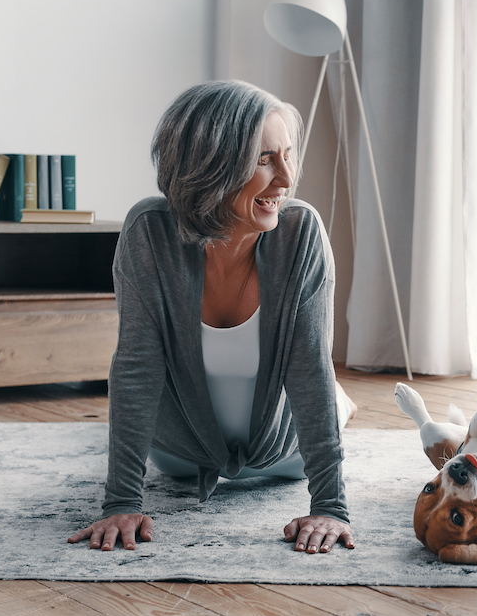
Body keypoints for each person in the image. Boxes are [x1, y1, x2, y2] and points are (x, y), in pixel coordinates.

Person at [69, 80, 356, 555]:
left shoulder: (300, 231)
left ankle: (343, 408)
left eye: (287, 155)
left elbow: (309, 370)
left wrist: (331, 506)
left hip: (286, 453)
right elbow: (137, 366)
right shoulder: (149, 232)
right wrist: (120, 499)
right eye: (264, 159)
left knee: (324, 386)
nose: (286, 179)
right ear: (211, 166)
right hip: (181, 453)